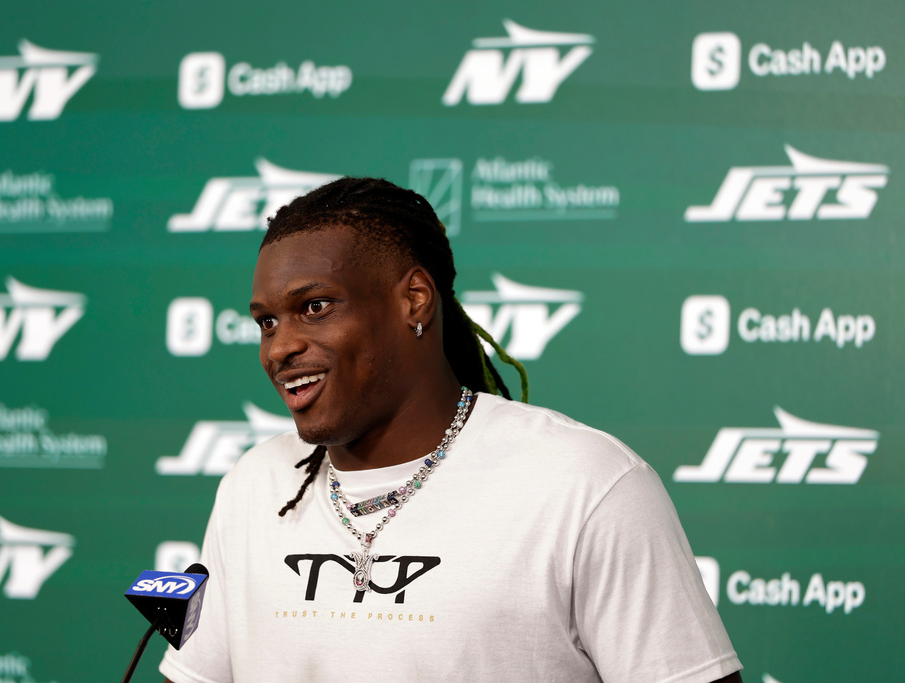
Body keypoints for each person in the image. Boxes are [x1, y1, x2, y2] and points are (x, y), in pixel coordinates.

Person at [160, 177, 743, 682]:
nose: (281, 346)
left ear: (414, 299)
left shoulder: (587, 485)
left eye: (315, 306)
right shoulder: (253, 485)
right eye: (267, 322)